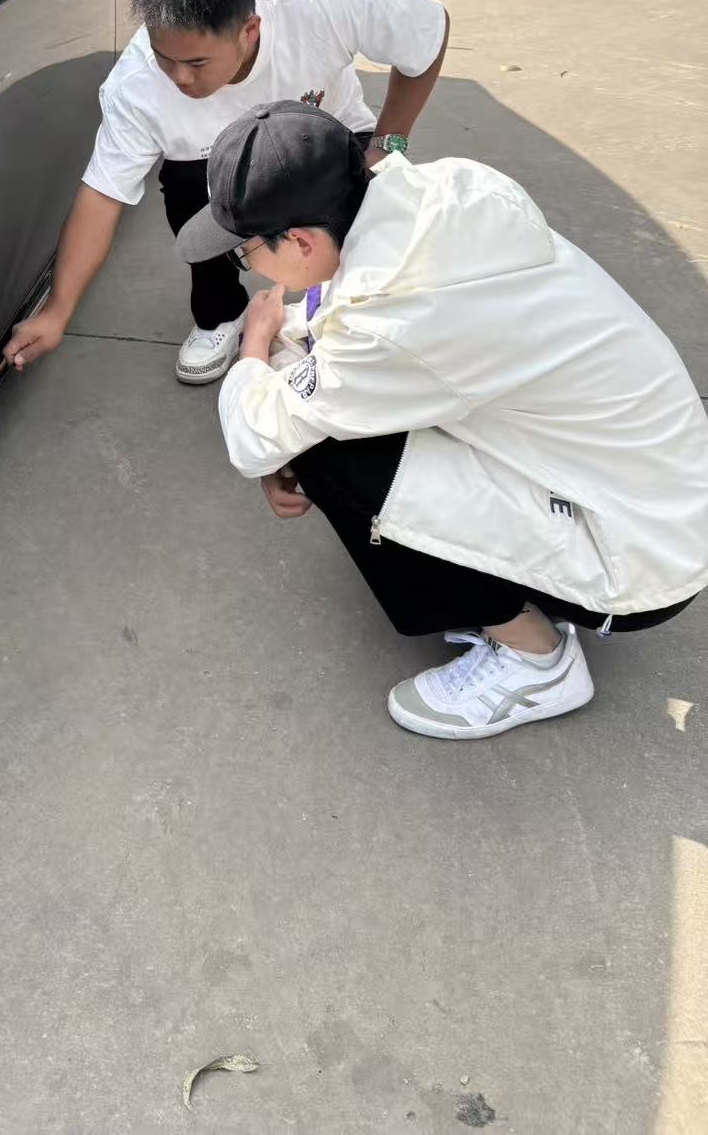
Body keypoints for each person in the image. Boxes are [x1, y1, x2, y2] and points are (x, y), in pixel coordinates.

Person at [177, 100, 708, 741]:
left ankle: (537, 661)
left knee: (330, 456)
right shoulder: (442, 194)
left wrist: (255, 346)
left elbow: (253, 437)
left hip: (634, 561)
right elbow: (334, 329)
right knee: (315, 410)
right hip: (655, 497)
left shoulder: (399, 322)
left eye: (245, 254)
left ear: (301, 242)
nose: (250, 269)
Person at [4, 0, 449, 386]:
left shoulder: (323, 2)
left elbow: (429, 31)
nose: (179, 78)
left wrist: (388, 144)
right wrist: (57, 311)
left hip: (327, 142)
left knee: (372, 224)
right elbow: (102, 195)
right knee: (187, 184)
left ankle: (339, 309)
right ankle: (221, 315)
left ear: (249, 30)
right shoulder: (135, 87)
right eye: (164, 57)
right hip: (215, 165)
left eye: (197, 63)